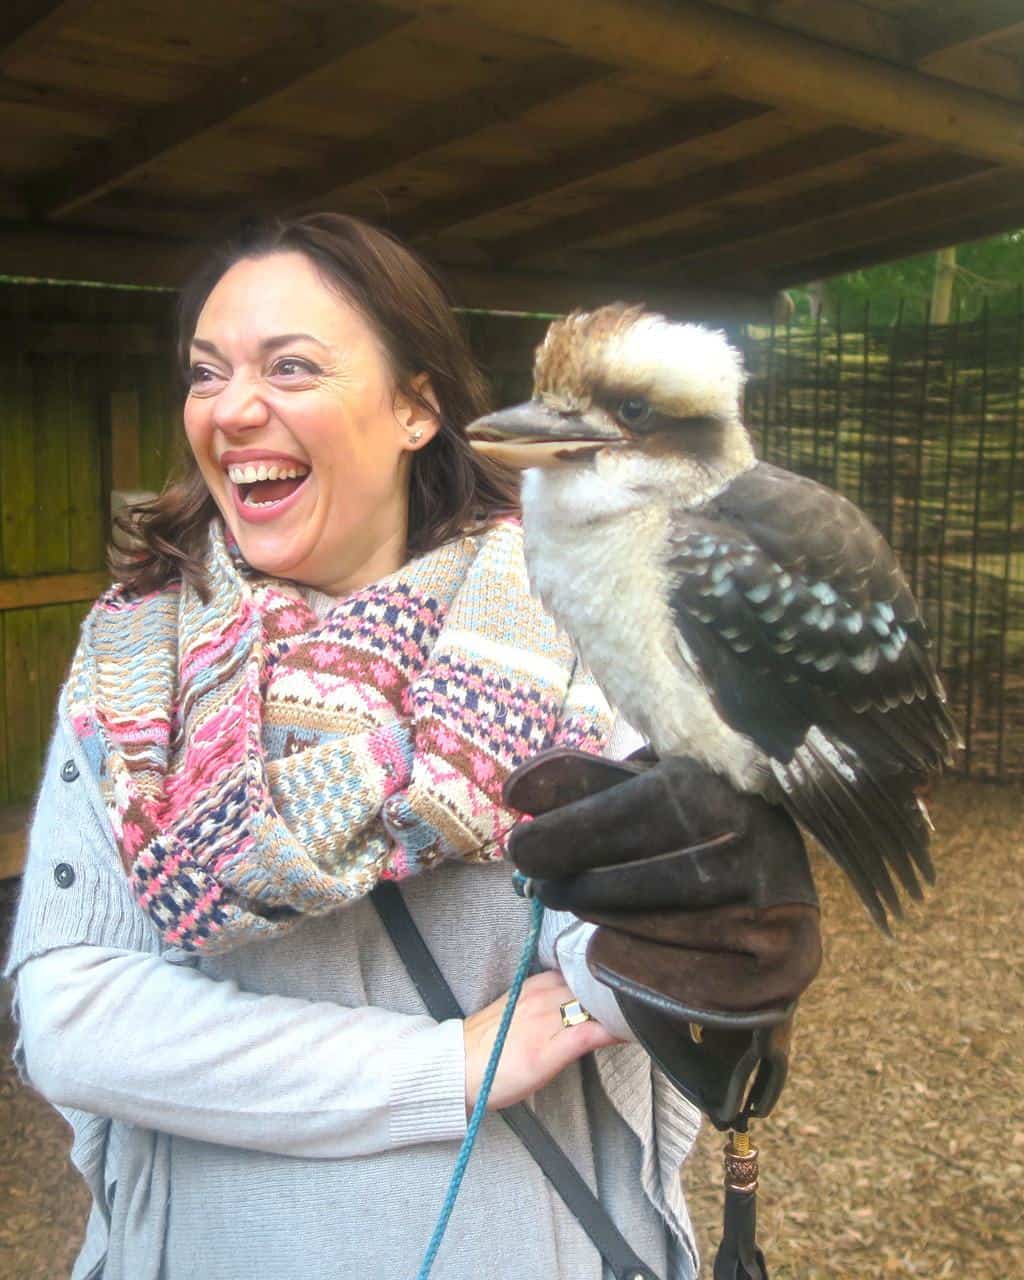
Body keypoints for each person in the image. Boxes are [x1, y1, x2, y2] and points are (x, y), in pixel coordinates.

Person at [4, 213, 821, 1280]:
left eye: (289, 365)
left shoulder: (575, 629)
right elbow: (75, 1013)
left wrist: (706, 941)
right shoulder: (134, 662)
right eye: (206, 373)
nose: (232, 406)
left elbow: (607, 962)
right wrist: (448, 1064)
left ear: (415, 408)